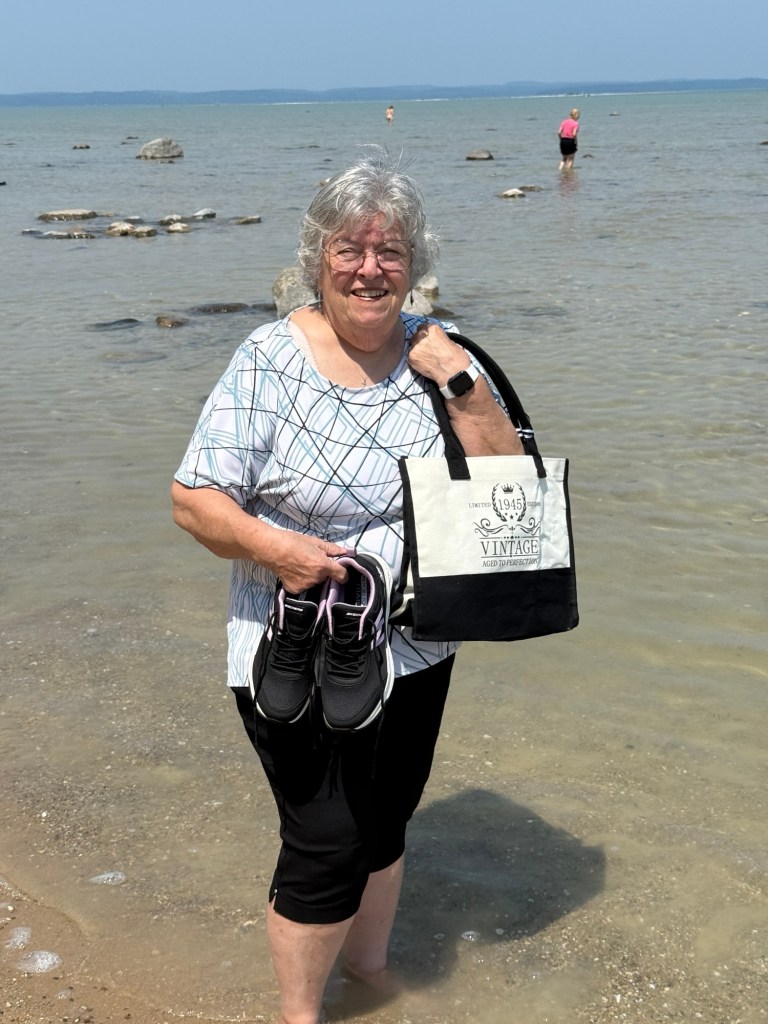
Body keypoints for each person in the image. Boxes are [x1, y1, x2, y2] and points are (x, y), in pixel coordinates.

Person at [170, 147, 522, 1024]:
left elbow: (508, 484)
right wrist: (281, 550)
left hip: (416, 640)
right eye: (350, 250)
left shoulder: (443, 355)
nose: (371, 268)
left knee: (389, 817)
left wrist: (463, 381)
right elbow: (193, 500)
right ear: (318, 256)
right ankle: (301, 1015)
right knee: (326, 839)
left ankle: (369, 971)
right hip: (295, 642)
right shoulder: (266, 361)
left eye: (391, 250)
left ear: (416, 262)